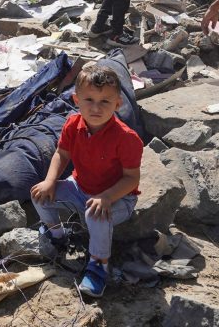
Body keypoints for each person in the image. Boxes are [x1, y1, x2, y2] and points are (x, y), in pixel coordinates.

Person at [30, 64, 142, 298]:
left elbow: (131, 179)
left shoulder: (126, 138)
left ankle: (98, 265)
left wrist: (106, 197)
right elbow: (61, 154)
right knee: (39, 193)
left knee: (96, 214)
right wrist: (50, 181)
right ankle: (57, 235)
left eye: (105, 102)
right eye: (89, 99)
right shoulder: (73, 124)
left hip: (117, 199)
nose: (96, 108)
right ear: (76, 100)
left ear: (118, 104)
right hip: (79, 188)